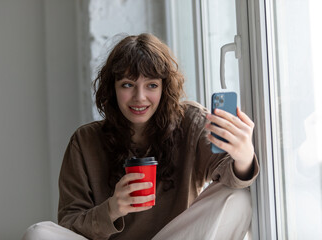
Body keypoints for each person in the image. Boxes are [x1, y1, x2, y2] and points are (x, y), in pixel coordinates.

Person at [22, 33, 259, 240]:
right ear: (112, 89)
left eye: (152, 85)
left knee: (237, 199)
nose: (140, 97)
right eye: (127, 85)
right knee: (38, 233)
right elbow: (68, 224)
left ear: (164, 88)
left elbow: (231, 177)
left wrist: (244, 156)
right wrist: (112, 209)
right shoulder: (84, 141)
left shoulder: (190, 122)